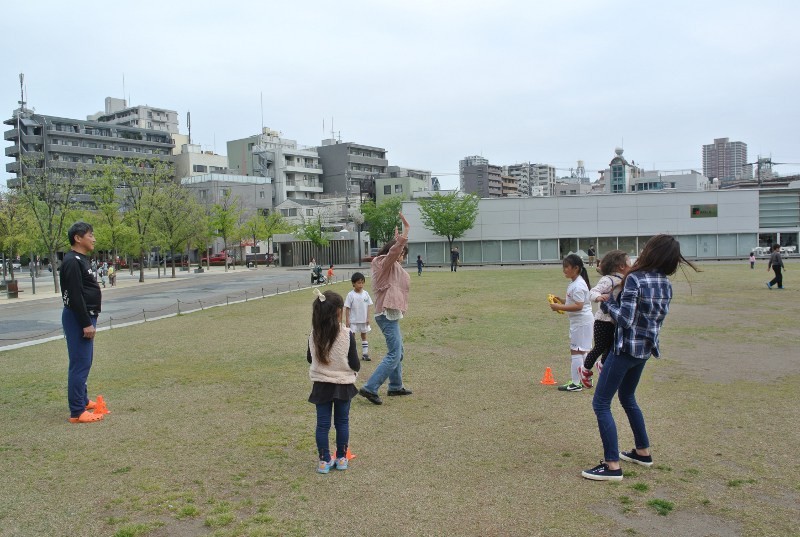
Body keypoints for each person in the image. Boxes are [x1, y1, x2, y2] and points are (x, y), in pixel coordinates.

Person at [581, 234, 698, 481]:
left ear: (652, 252)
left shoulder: (635, 278)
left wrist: (607, 304)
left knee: (601, 403)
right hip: (645, 350)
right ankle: (642, 451)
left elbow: (624, 318)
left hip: (624, 349)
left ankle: (612, 465)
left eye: (647, 247)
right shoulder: (664, 282)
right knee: (627, 397)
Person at [359, 212, 413, 405]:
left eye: (404, 254)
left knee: (399, 351)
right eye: (401, 253)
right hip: (385, 314)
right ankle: (370, 387)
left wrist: (399, 244)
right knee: (394, 353)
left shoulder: (394, 267)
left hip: (391, 314)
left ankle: (395, 386)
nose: (403, 257)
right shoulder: (383, 263)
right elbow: (392, 255)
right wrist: (404, 235)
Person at [307, 288, 360, 473]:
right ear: (338, 312)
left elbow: (309, 358)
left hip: (321, 385)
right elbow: (355, 364)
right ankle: (341, 458)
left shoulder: (313, 335)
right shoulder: (347, 335)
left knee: (322, 424)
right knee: (342, 422)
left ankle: (324, 460)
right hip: (343, 386)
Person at [60, 222, 104, 424]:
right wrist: (86, 323)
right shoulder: (72, 261)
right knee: (80, 364)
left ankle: (83, 400)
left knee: (83, 362)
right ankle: (77, 411)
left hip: (85, 316)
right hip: (79, 318)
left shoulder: (80, 260)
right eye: (90, 235)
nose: (93, 239)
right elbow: (74, 295)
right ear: (78, 238)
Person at [579, 250, 628, 389]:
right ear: (621, 266)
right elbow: (593, 292)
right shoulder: (608, 280)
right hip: (603, 320)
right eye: (629, 262)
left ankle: (601, 364)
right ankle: (585, 369)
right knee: (600, 346)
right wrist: (598, 297)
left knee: (612, 346)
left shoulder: (625, 280)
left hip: (615, 321)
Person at [548, 254, 593, 392]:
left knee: (576, 351)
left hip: (581, 322)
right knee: (582, 350)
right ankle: (585, 379)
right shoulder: (575, 282)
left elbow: (579, 305)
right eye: (564, 266)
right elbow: (576, 302)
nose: (564, 270)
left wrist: (559, 307)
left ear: (576, 268)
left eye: (567, 267)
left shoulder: (578, 284)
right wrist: (561, 300)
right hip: (582, 322)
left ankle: (576, 383)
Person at [345, 272, 374, 361]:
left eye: (362, 282)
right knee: (352, 337)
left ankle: (365, 354)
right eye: (358, 282)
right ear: (353, 283)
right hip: (353, 320)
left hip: (364, 320)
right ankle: (352, 355)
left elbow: (369, 306)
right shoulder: (350, 295)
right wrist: (347, 320)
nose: (361, 285)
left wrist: (368, 318)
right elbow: (347, 308)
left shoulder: (366, 294)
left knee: (364, 336)